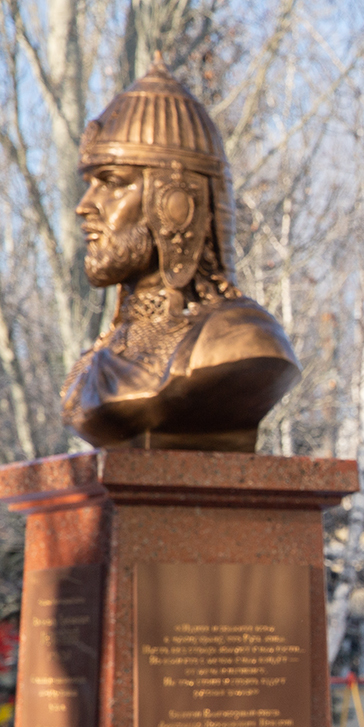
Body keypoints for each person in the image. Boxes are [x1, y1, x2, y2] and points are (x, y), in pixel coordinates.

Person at [61, 54, 299, 452]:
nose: (85, 205)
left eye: (112, 183)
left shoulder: (243, 340)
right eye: (90, 183)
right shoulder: (97, 359)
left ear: (175, 201)